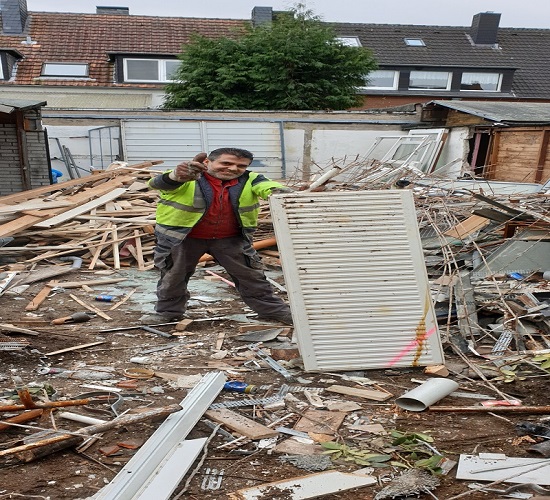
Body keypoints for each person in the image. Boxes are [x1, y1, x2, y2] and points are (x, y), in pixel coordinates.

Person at [145, 147, 293, 325]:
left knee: (251, 277)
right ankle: (167, 312)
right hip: (182, 239)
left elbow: (268, 187)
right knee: (173, 277)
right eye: (226, 163)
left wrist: (283, 194)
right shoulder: (188, 176)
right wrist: (176, 176)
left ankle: (272, 311)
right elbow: (158, 184)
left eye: (241, 166)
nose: (233, 169)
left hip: (230, 240)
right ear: (207, 162)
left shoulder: (251, 179)